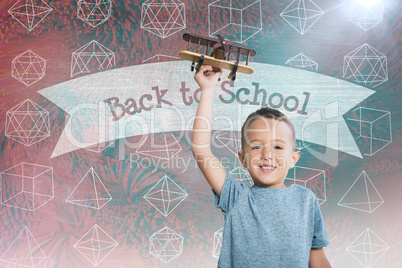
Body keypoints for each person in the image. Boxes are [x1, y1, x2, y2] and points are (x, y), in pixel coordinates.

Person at [191, 65, 331, 268]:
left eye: (277, 146)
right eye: (256, 146)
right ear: (243, 158)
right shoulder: (236, 197)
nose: (267, 155)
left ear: (293, 158)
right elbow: (201, 151)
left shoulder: (306, 201)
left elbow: (317, 259)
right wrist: (207, 89)